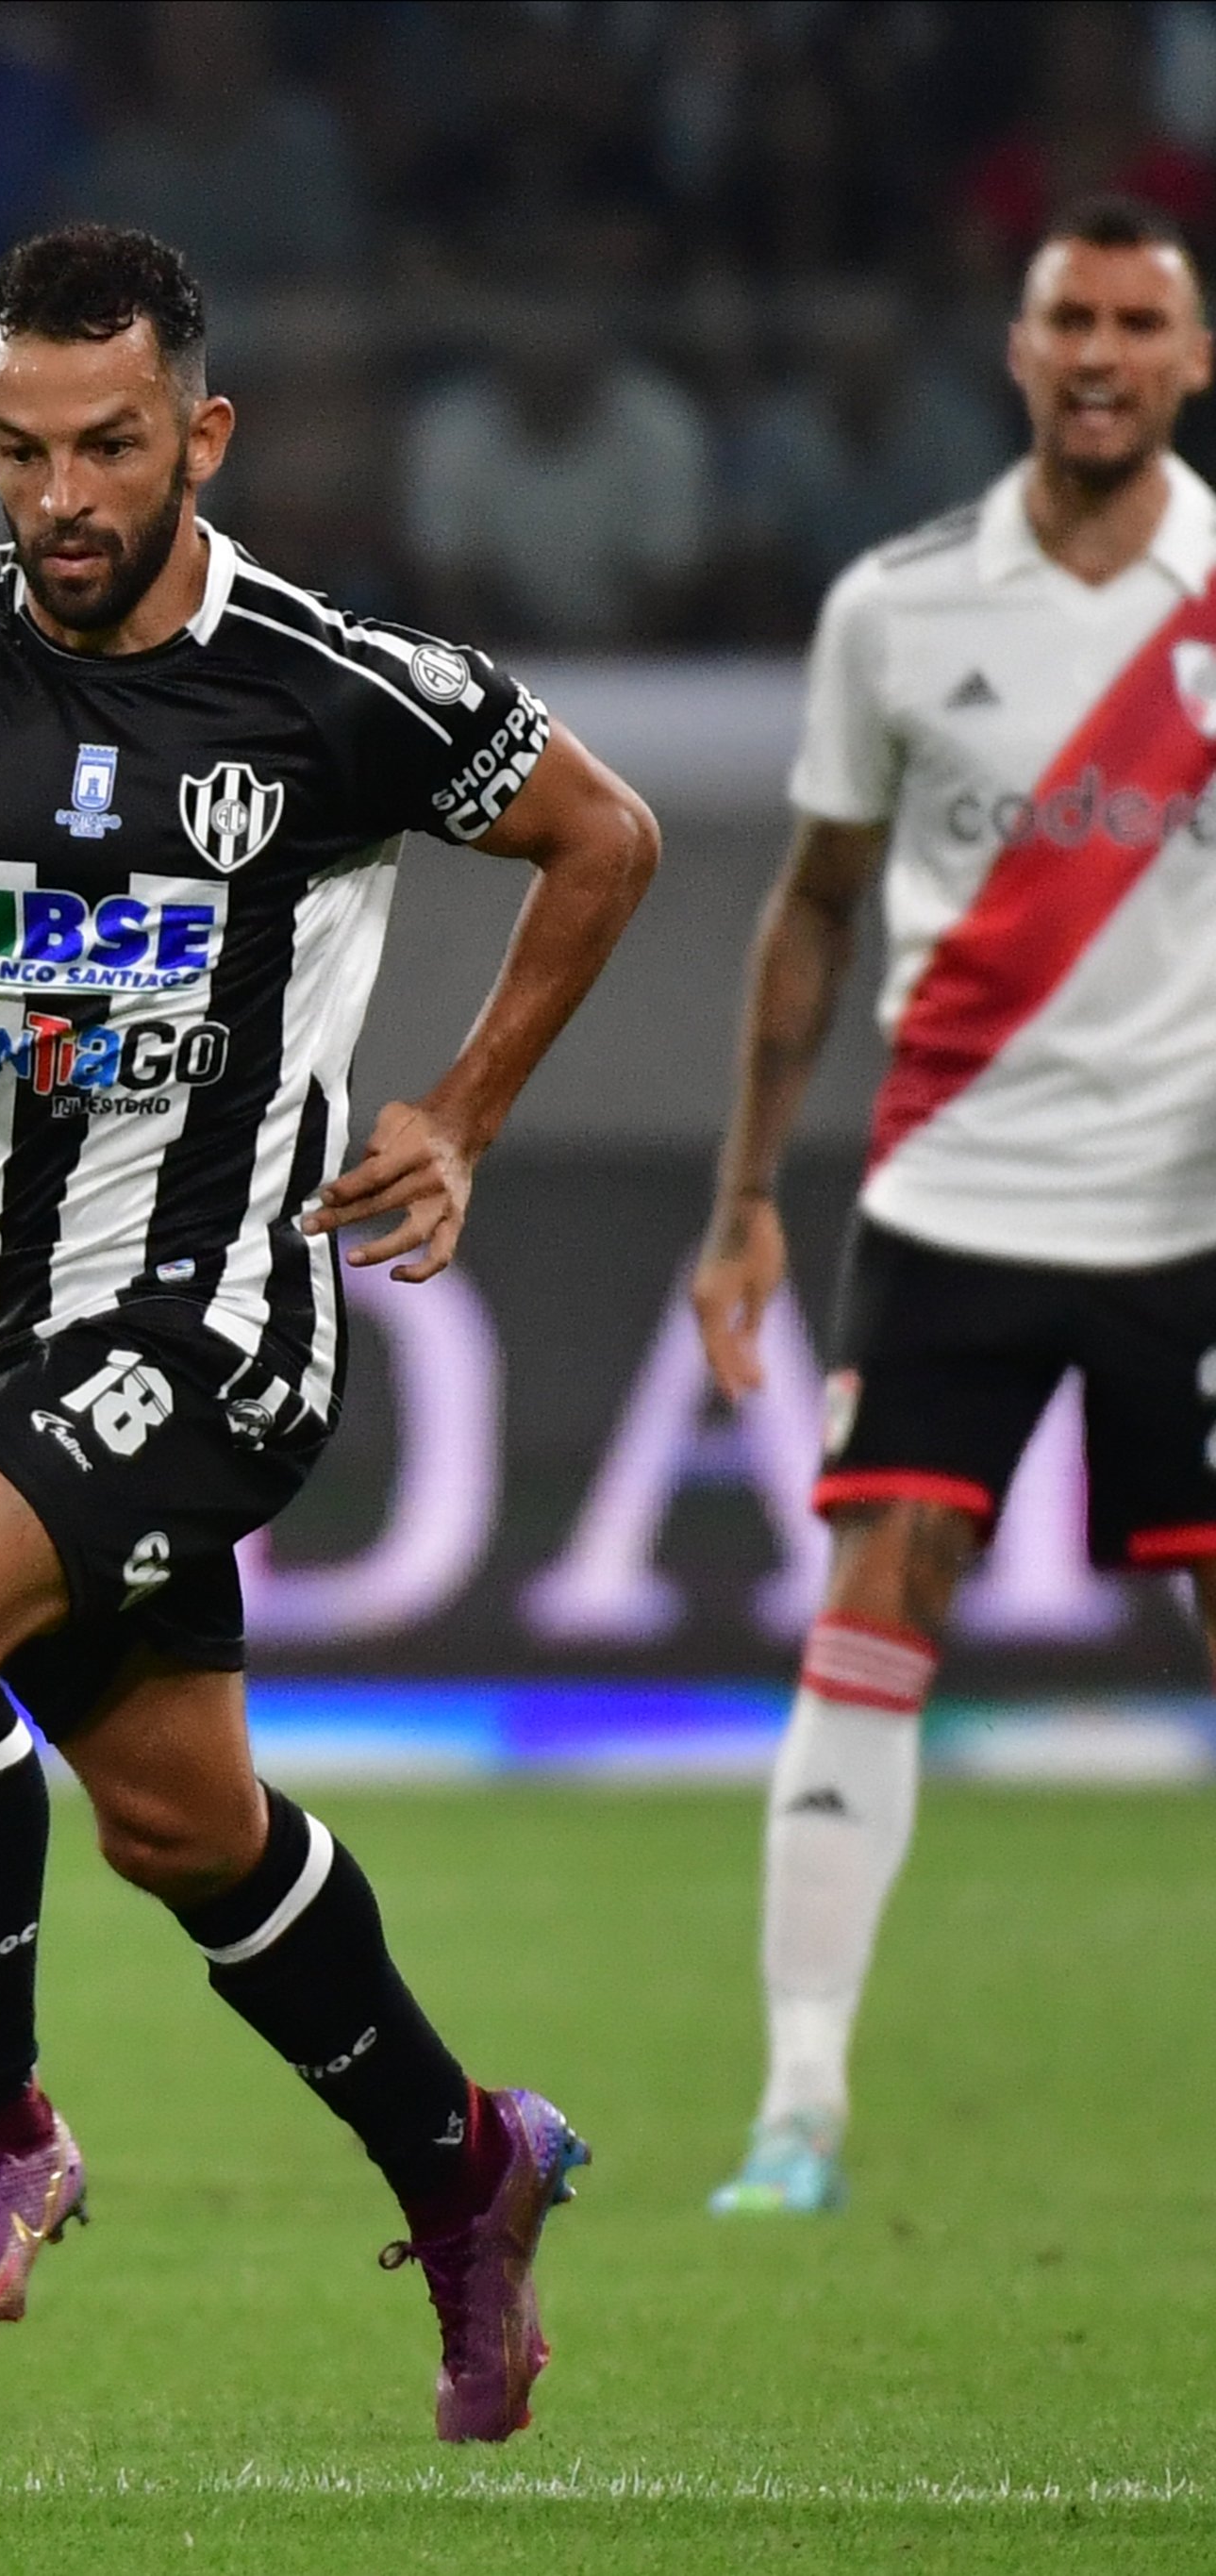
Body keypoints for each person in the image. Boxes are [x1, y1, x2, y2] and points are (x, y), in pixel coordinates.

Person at [0, 224, 660, 2441]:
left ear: (198, 433)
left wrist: (461, 1109)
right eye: (20, 449)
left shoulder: (326, 680)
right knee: (182, 1828)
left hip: (218, 1321)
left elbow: (602, 835)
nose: (63, 495)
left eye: (108, 445)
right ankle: (461, 2162)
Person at [691, 199, 1216, 2221]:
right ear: (1014, 350)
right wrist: (744, 1193)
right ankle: (796, 2104)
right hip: (947, 1196)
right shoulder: (894, 606)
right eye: (1064, 318)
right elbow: (811, 902)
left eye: (1134, 324)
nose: (1095, 352)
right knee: (873, 1598)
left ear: (1184, 363)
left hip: (1180, 1207)